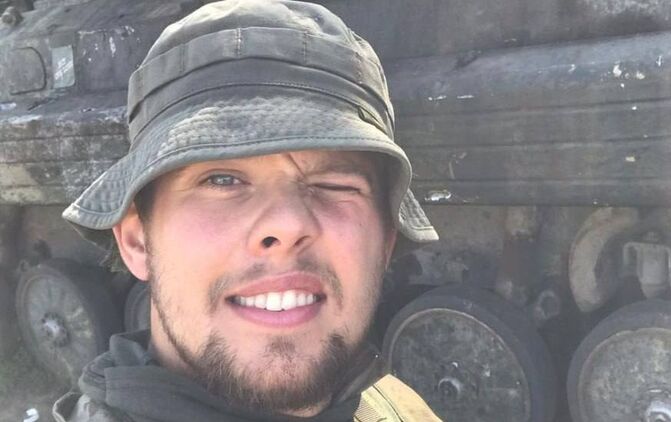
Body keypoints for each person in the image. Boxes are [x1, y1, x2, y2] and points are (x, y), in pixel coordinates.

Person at [52, 0, 441, 421]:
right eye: (222, 180)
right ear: (137, 241)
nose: (287, 224)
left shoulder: (399, 405)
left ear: (385, 241)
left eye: (335, 184)